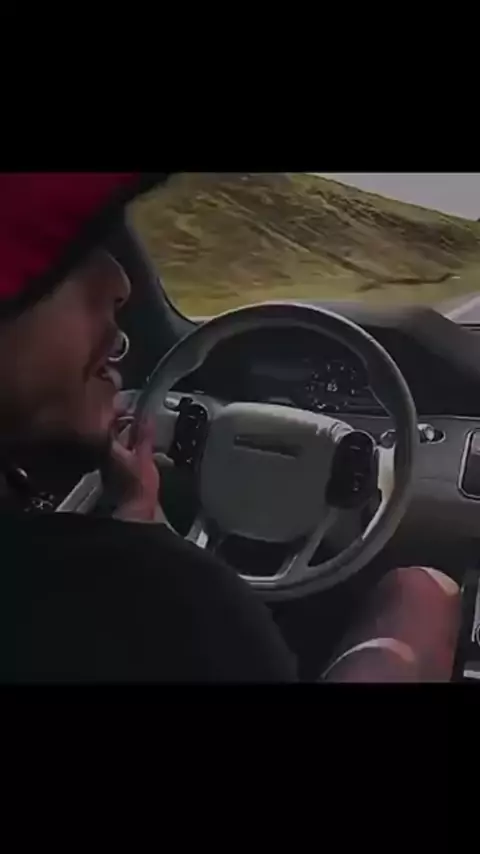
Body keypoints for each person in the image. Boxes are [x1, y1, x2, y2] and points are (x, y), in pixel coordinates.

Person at [0, 173, 461, 682]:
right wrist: (155, 550)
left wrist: (139, 508)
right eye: (65, 257)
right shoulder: (180, 600)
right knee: (422, 590)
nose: (121, 283)